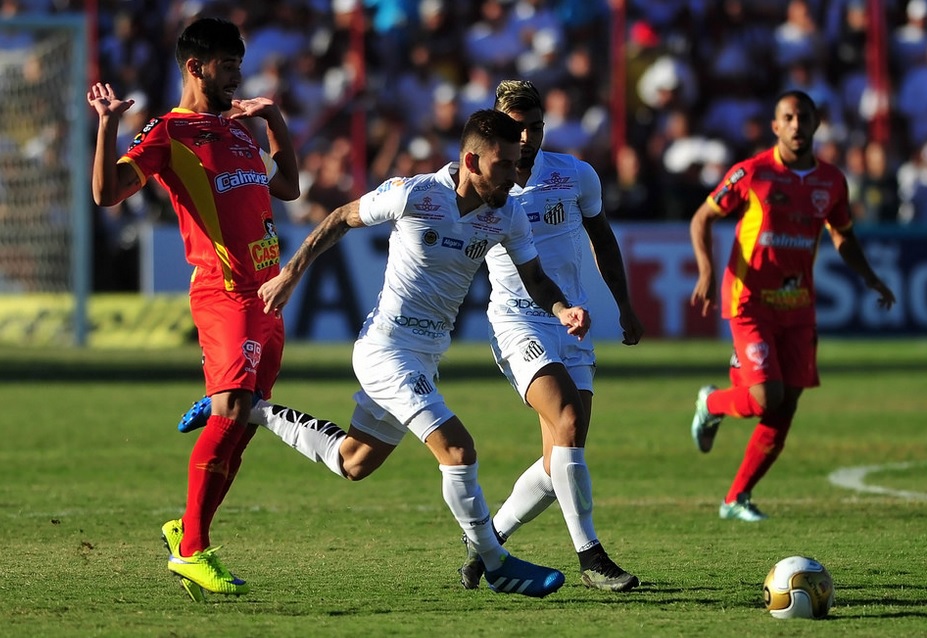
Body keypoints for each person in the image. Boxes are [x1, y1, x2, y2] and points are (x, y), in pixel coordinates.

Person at [179, 108, 584, 598]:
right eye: (503, 166)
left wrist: (561, 309)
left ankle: (256, 413)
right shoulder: (417, 193)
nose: (513, 176)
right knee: (457, 449)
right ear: (472, 160)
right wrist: (291, 272)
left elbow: (535, 278)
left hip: (426, 355)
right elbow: (339, 218)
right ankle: (495, 563)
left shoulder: (509, 212)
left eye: (517, 164)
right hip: (385, 350)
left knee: (354, 461)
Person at [88, 17, 301, 600]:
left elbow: (289, 187)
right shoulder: (170, 133)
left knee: (243, 424)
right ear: (195, 67)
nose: (236, 74)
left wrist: (272, 118)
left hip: (268, 295)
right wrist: (107, 127)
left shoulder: (233, 130)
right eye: (227, 65)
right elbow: (108, 193)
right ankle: (192, 551)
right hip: (224, 292)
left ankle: (189, 525)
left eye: (238, 63)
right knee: (233, 410)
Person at [456, 79, 645, 594]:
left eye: (535, 126)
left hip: (573, 321)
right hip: (517, 321)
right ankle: (592, 557)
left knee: (560, 451)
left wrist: (623, 305)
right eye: (517, 128)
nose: (527, 137)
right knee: (565, 418)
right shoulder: (479, 184)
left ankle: (486, 547)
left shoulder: (575, 175)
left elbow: (602, 238)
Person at [688, 90, 896, 522]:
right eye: (789, 117)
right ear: (776, 126)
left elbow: (843, 236)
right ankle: (711, 404)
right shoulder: (753, 172)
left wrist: (871, 277)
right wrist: (707, 271)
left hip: (798, 306)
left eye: (804, 116)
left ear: (817, 123)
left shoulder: (833, 182)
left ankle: (736, 499)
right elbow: (702, 218)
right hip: (749, 300)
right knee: (766, 396)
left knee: (786, 405)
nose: (797, 124)